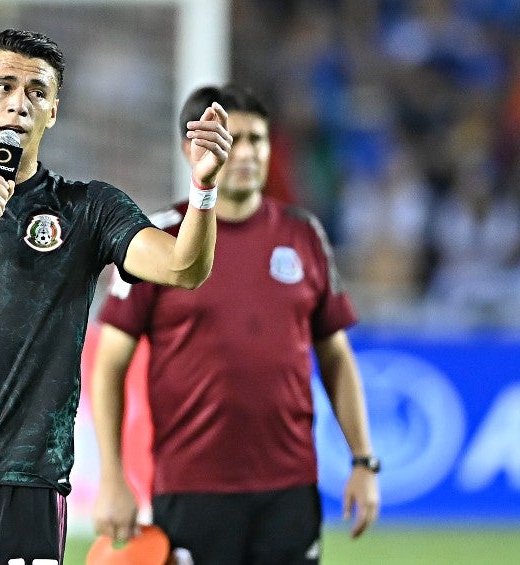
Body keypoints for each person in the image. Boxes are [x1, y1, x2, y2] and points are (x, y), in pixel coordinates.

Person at [0, 29, 231, 565]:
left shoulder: (89, 210)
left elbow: (184, 268)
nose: (19, 102)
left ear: (53, 112)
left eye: (37, 92)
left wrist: (204, 190)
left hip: (25, 486)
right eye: (3, 85)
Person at [91, 84, 380, 565]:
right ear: (192, 148)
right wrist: (113, 478)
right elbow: (109, 366)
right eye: (233, 138)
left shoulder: (303, 235)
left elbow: (336, 357)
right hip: (192, 487)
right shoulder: (158, 238)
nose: (245, 153)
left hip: (289, 487)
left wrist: (363, 460)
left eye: (258, 140)